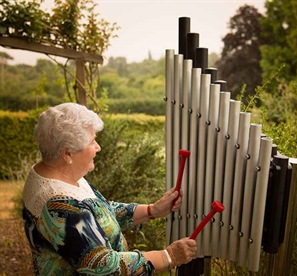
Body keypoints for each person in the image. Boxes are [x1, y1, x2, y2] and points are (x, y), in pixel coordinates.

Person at [22, 102, 197, 276]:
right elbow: (104, 266)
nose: (98, 147)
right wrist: (168, 256)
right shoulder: (58, 205)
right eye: (92, 142)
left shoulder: (57, 173)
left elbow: (99, 213)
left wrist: (152, 210)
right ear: (67, 154)